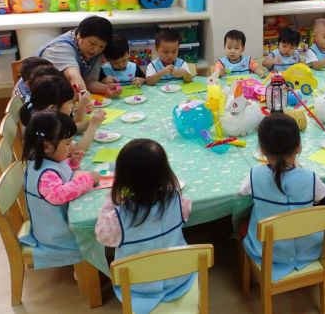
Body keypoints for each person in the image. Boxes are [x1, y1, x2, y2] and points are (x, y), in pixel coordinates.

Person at [96, 139, 194, 314]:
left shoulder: (117, 219)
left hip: (138, 289)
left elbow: (102, 235)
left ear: (123, 179)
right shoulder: (178, 201)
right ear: (165, 174)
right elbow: (186, 212)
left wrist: (111, 201)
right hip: (180, 279)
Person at [239, 113, 325, 281]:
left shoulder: (255, 174)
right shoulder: (311, 178)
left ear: (262, 150)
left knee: (243, 221)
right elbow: (318, 199)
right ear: (298, 147)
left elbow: (243, 191)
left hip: (266, 251)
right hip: (307, 249)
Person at [19, 111, 99, 269]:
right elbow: (59, 194)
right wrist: (88, 180)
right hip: (56, 236)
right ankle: (88, 270)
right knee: (95, 229)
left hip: (56, 225)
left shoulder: (46, 161)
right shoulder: (44, 173)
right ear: (47, 147)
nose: (72, 146)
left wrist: (72, 163)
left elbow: (58, 174)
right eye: (68, 143)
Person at [20, 75, 105, 152]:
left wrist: (92, 121)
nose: (72, 106)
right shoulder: (48, 128)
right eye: (69, 103)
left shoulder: (44, 118)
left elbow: (73, 129)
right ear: (53, 108)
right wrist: (93, 125)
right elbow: (76, 150)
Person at [37, 15, 116, 97]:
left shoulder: (94, 52)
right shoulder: (60, 47)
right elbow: (73, 76)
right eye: (92, 43)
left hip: (64, 96)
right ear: (80, 35)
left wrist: (105, 88)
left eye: (101, 46)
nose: (96, 50)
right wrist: (85, 99)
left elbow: (88, 81)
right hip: (42, 97)